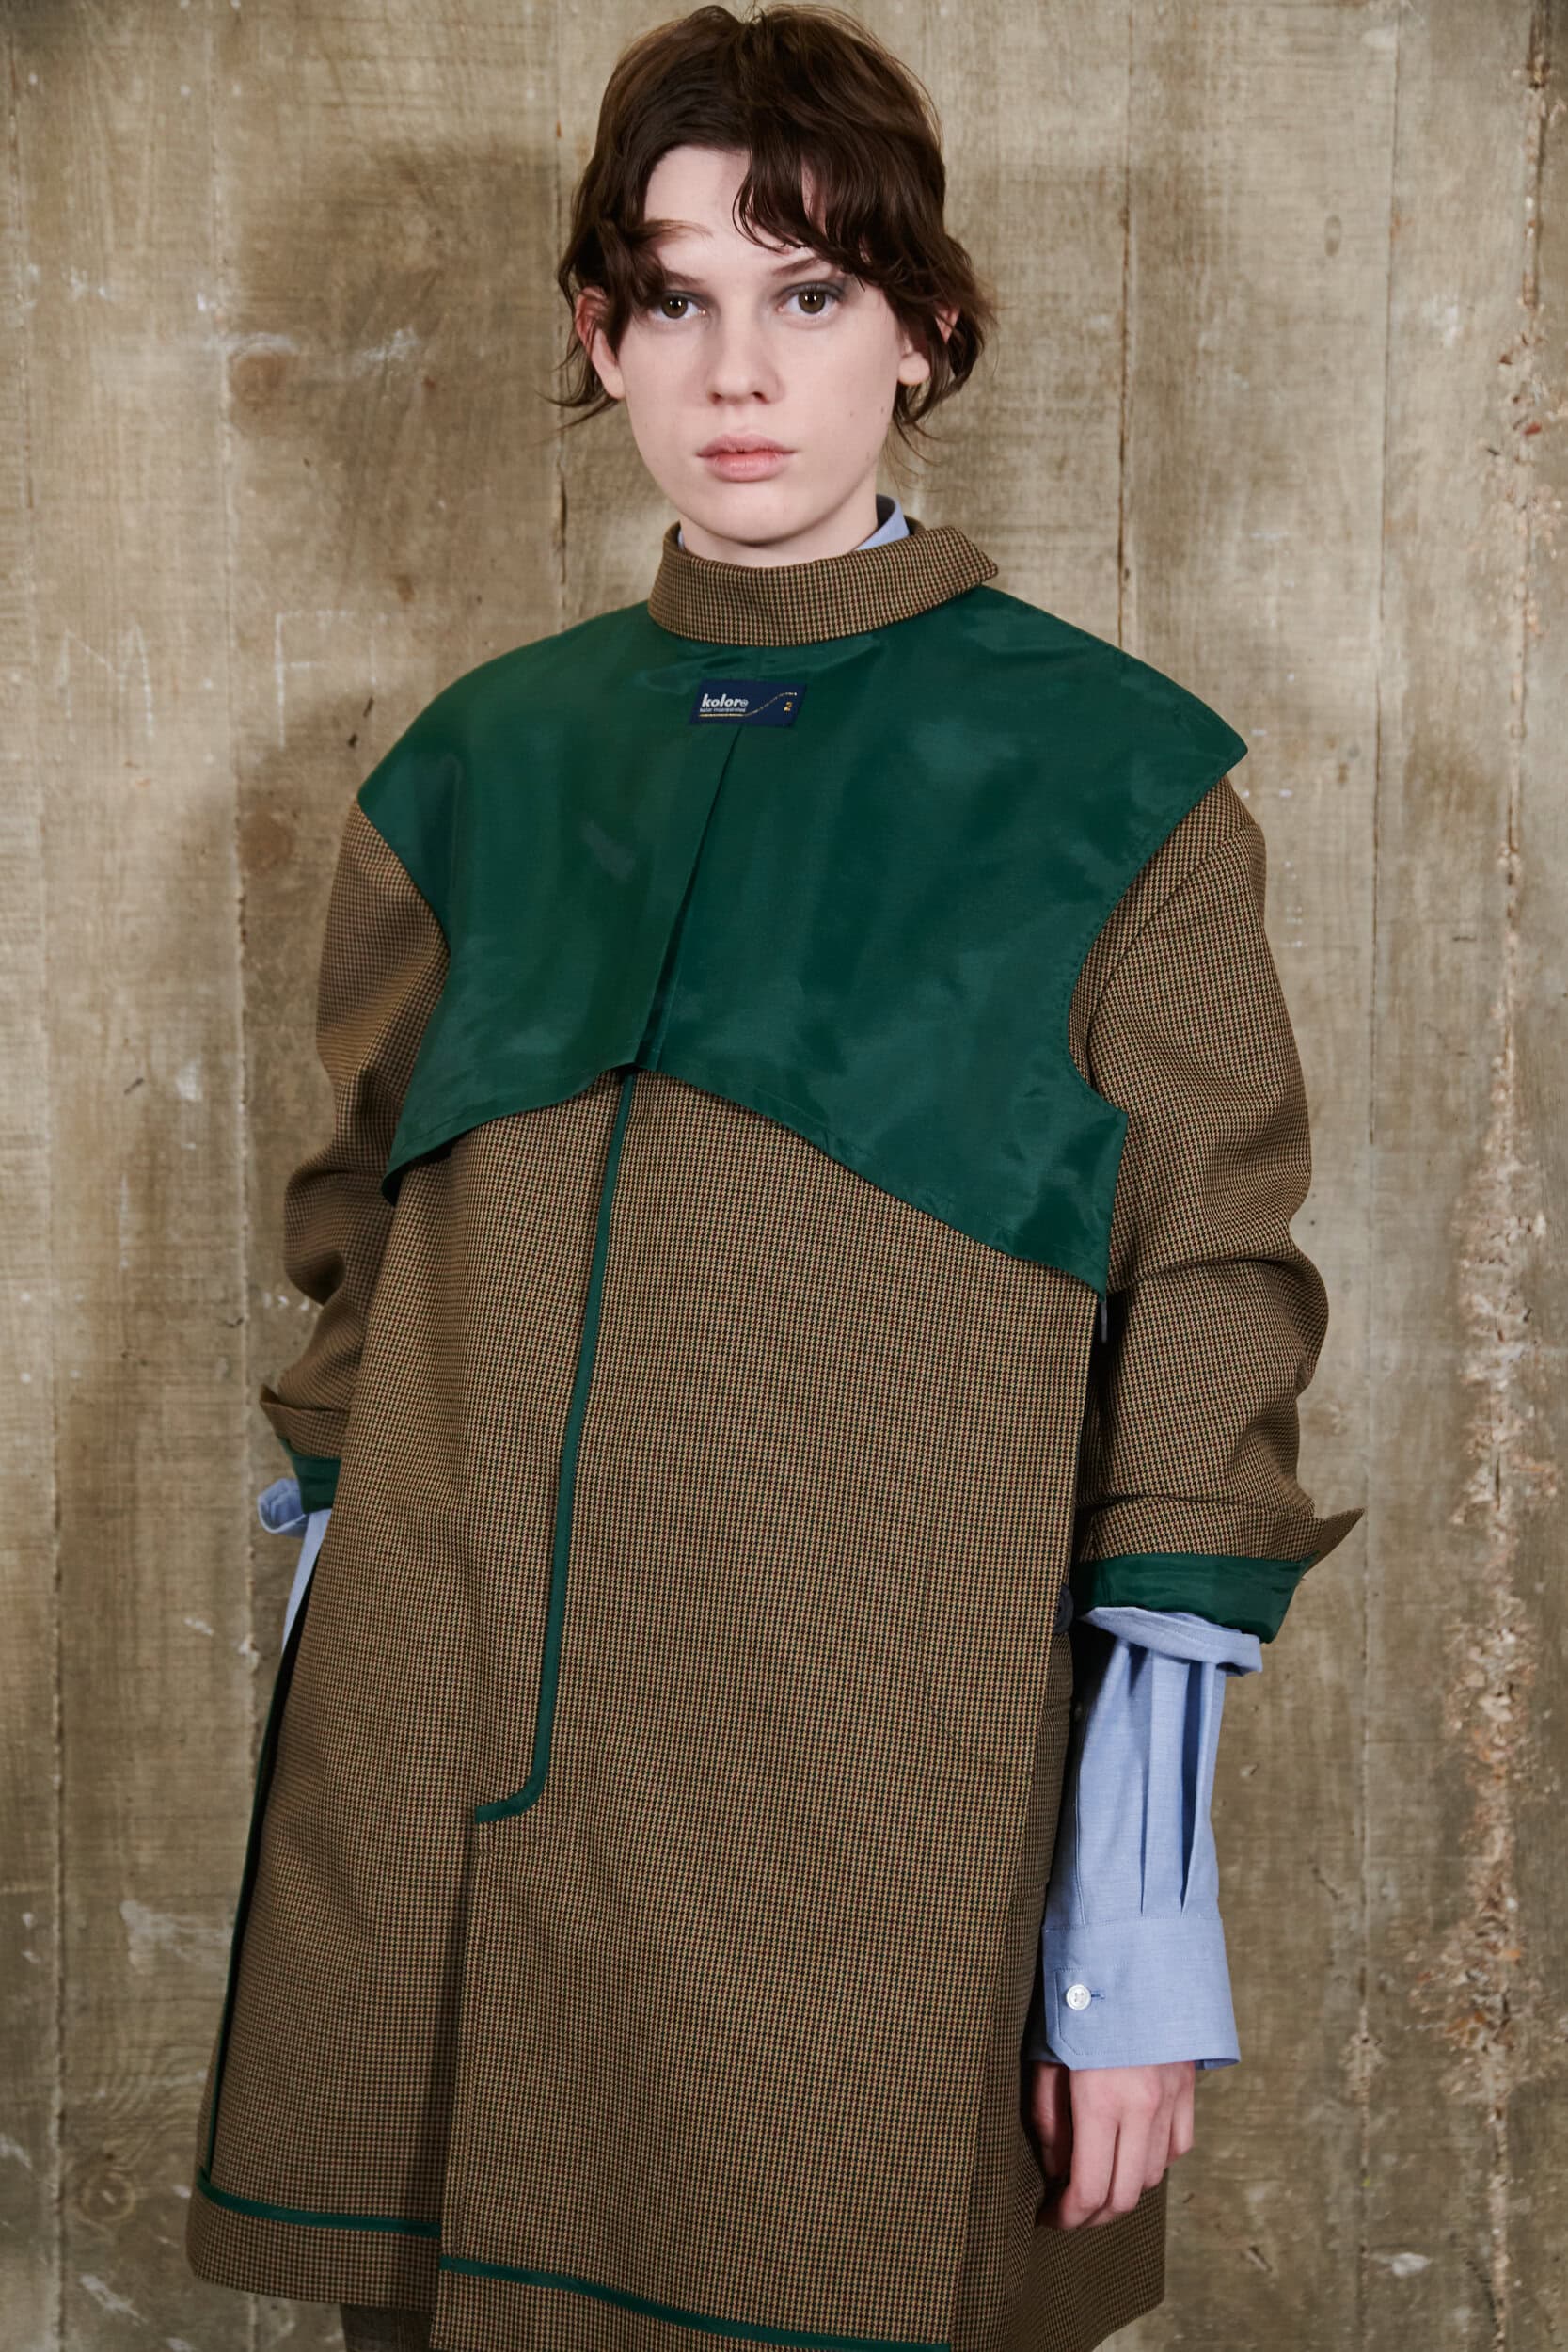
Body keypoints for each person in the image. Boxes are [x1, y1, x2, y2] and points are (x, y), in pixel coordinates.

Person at [183, 9, 1361, 2349]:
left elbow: (1210, 1320)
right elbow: (359, 1288)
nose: (739, 371)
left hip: (859, 1828)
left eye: (810, 292)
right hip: (431, 1798)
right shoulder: (477, 768)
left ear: (923, 329)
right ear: (596, 333)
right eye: (675, 297)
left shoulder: (1114, 785)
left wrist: (1133, 1941)